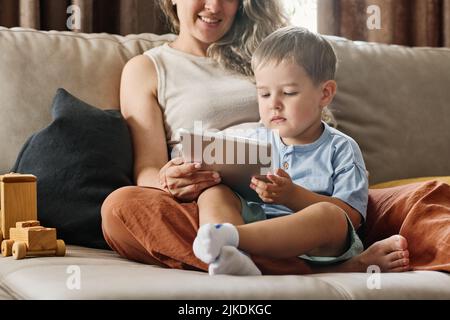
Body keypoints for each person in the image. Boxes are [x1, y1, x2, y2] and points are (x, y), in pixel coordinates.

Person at [101, 0, 410, 275]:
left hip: (314, 194)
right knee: (119, 209)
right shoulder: (147, 68)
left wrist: (295, 193)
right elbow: (147, 170)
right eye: (263, 93)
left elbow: (341, 195)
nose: (214, 6)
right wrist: (170, 181)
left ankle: (232, 250)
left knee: (426, 197)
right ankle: (244, 251)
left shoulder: (272, 52)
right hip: (214, 204)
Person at [192, 26, 410, 276]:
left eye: (289, 93)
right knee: (215, 192)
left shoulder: (341, 148)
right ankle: (232, 256)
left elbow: (352, 217)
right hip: (261, 229)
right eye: (264, 94)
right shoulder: (252, 139)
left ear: (324, 94)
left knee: (330, 215)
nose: (273, 103)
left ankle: (230, 239)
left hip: (318, 245)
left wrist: (292, 195)